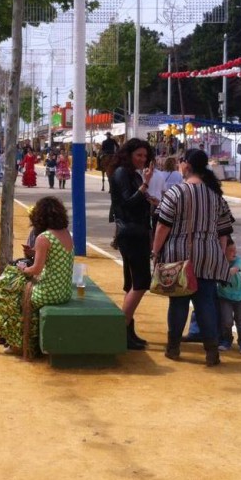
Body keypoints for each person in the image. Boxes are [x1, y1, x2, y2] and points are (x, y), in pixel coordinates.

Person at [152, 148, 236, 366]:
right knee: (206, 302)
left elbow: (162, 226)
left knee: (178, 302)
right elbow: (224, 232)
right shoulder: (215, 196)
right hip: (208, 255)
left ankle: (173, 348)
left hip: (179, 255)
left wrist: (155, 251)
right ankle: (211, 351)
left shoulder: (176, 192)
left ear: (186, 166)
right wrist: (218, 256)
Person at [0, 197, 74, 357]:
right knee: (17, 288)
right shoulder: (66, 233)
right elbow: (54, 257)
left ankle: (12, 340)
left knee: (12, 296)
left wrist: (23, 268)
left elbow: (36, 269)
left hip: (48, 293)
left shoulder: (44, 238)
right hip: (64, 291)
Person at [107, 138, 155, 350]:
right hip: (131, 233)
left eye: (145, 156)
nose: (143, 159)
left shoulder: (132, 174)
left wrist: (149, 197)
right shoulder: (121, 173)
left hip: (138, 232)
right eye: (139, 155)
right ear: (128, 154)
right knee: (141, 282)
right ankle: (121, 328)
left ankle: (128, 330)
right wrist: (144, 186)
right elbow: (127, 202)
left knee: (132, 283)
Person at [217, 238, 241, 354]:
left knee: (240, 321)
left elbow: (234, 269)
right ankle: (226, 340)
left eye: (235, 250)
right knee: (226, 320)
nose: (234, 253)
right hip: (224, 297)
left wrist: (220, 272)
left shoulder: (237, 261)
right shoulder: (218, 262)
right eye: (231, 250)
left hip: (240, 296)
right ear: (223, 251)